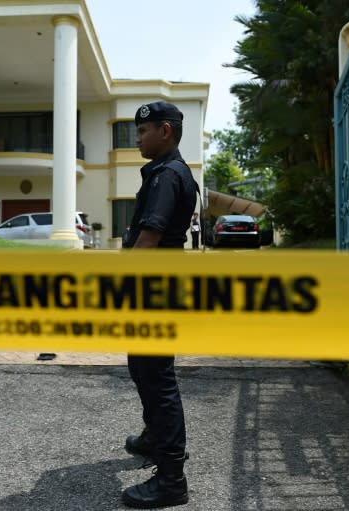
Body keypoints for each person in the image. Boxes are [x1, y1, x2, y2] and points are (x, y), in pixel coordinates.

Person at [120, 101, 197, 509]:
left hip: (154, 287)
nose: (137, 138)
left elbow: (148, 241)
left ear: (164, 131)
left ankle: (171, 478)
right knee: (142, 366)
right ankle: (154, 438)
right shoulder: (164, 172)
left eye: (143, 131)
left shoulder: (168, 175)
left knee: (156, 375)